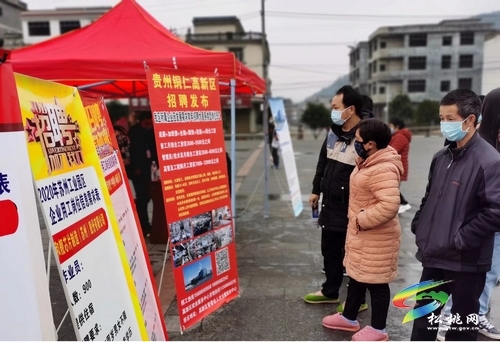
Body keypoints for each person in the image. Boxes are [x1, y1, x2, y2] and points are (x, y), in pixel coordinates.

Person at [410, 89, 500, 341]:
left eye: (450, 118)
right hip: (435, 257)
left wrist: (462, 238)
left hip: (466, 261)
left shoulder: (490, 161)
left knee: (461, 329)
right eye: (441, 118)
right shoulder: (441, 157)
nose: (444, 124)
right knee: (423, 320)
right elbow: (429, 197)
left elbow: (496, 211)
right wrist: (420, 224)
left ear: (470, 120)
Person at [322, 119, 402, 341]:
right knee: (357, 276)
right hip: (363, 235)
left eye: (358, 140)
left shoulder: (382, 167)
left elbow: (389, 205)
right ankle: (349, 318)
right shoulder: (369, 161)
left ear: (370, 144)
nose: (355, 144)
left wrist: (360, 221)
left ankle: (378, 329)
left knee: (377, 282)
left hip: (376, 236)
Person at [437, 89, 500, 341]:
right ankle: (449, 317)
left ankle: (479, 313)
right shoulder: (480, 152)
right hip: (472, 224)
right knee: (470, 274)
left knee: (492, 270)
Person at [304, 85, 368, 312]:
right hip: (330, 204)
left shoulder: (366, 135)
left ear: (350, 109)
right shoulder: (333, 133)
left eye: (335, 107)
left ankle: (357, 299)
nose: (332, 111)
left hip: (353, 207)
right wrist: (315, 190)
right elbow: (323, 162)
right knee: (330, 250)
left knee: (353, 254)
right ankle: (330, 291)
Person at [129, 111, 157, 238]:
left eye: (150, 123)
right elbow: (131, 152)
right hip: (138, 171)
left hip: (151, 169)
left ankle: (154, 225)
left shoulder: (152, 131)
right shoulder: (133, 132)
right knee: (142, 198)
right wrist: (134, 167)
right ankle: (144, 226)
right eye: (146, 123)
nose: (149, 125)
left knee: (152, 196)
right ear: (140, 121)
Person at [388, 118, 412, 214]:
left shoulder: (400, 137)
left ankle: (403, 204)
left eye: (391, 126)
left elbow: (392, 151)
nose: (390, 128)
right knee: (393, 188)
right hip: (397, 167)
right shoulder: (397, 136)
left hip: (397, 168)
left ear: (396, 126)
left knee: (393, 189)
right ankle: (402, 204)